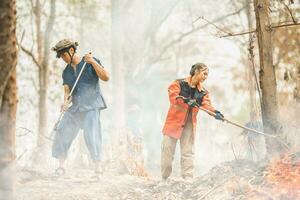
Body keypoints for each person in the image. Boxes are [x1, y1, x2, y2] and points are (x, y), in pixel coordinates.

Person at [51, 39, 109, 175]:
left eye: (64, 55)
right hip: (76, 107)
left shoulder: (90, 62)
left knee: (91, 134)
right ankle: (61, 167)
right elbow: (67, 92)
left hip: (92, 105)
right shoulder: (66, 72)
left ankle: (98, 167)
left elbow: (106, 77)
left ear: (71, 51)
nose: (63, 59)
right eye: (60, 57)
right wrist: (65, 102)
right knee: (62, 129)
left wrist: (93, 62)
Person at [161, 63, 223, 183]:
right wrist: (186, 101)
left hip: (189, 125)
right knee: (167, 151)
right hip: (173, 123)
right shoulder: (178, 83)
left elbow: (207, 105)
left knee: (187, 152)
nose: (206, 77)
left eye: (207, 75)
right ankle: (164, 178)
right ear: (197, 71)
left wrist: (215, 113)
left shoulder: (203, 92)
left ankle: (188, 179)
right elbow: (173, 96)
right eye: (204, 73)